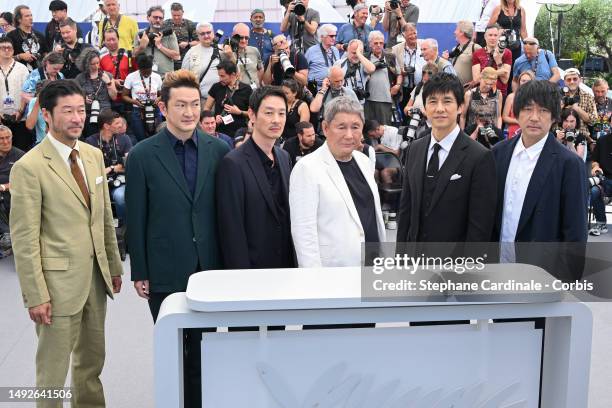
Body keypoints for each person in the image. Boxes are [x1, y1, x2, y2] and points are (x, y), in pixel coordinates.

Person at [10, 79, 123, 408]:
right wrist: (36, 294)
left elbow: (102, 217)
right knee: (52, 373)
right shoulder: (28, 168)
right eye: (68, 111)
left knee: (91, 365)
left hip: (95, 280)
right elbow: (25, 238)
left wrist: (113, 266)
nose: (77, 118)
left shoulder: (91, 155)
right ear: (46, 114)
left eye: (81, 110)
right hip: (55, 288)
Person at [126, 70, 229, 408]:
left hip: (209, 269)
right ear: (163, 107)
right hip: (164, 268)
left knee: (205, 349)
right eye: (181, 105)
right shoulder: (142, 155)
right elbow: (136, 216)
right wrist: (139, 270)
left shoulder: (218, 149)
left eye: (195, 105)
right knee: (173, 347)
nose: (189, 112)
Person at [397, 73, 497, 242]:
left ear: (460, 107)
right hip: (414, 261)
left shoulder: (480, 157)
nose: (440, 108)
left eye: (447, 101)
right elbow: (406, 210)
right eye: (433, 101)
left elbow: (480, 227)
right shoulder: (414, 149)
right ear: (425, 107)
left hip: (454, 263)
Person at [290, 96, 385, 267]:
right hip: (335, 270)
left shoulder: (363, 162)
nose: (349, 135)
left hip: (372, 263)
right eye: (341, 127)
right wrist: (315, 281)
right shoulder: (307, 168)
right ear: (325, 128)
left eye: (355, 127)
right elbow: (304, 233)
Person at [492, 80, 587, 246]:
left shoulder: (569, 164)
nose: (534, 118)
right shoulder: (498, 153)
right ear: (516, 113)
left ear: (553, 117)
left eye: (543, 110)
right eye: (528, 109)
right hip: (495, 263)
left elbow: (575, 232)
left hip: (542, 267)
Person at [216, 85, 296, 269]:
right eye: (269, 113)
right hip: (253, 269)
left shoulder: (284, 158)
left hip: (286, 266)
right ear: (252, 115)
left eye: (282, 113)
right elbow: (231, 229)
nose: (276, 120)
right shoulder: (233, 163)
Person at [85, 109, 132, 225]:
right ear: (106, 126)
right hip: (97, 183)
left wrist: (110, 169)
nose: (121, 125)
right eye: (117, 123)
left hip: (120, 181)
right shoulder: (90, 141)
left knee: (121, 197)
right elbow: (90, 170)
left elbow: (130, 164)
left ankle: (124, 227)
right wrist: (116, 166)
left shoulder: (124, 138)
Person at [74, 48, 118, 137]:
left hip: (105, 113)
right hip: (89, 114)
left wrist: (109, 83)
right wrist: (84, 99)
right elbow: (74, 97)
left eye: (98, 63)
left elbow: (114, 97)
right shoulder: (80, 78)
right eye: (92, 64)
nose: (96, 66)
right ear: (86, 64)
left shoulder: (107, 75)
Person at [204, 60, 252, 138]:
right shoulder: (216, 87)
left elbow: (253, 113)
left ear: (233, 75)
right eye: (219, 76)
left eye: (222, 76)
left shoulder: (246, 89)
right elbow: (206, 108)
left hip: (239, 134)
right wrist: (214, 117)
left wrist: (239, 112)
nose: (220, 79)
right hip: (219, 133)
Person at [122, 54, 163, 142]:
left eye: (149, 72)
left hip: (154, 110)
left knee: (157, 137)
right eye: (144, 73)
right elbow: (124, 96)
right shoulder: (131, 77)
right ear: (139, 69)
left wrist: (158, 99)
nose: (147, 75)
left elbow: (162, 94)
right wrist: (134, 102)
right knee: (141, 139)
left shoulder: (157, 77)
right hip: (138, 111)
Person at [0, 36, 30, 152]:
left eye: (9, 48)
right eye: (3, 48)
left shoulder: (22, 69)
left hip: (20, 118)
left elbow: (27, 92)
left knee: (20, 151)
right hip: (1, 117)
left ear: (13, 50)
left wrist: (21, 111)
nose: (7, 50)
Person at [364, 31, 401, 125]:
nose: (379, 45)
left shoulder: (390, 57)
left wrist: (397, 85)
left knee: (385, 129)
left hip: (386, 100)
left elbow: (399, 74)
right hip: (368, 100)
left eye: (381, 43)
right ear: (370, 44)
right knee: (369, 130)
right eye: (375, 43)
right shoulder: (365, 57)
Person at [133, 6, 180, 77]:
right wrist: (141, 47)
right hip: (145, 77)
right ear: (148, 18)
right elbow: (133, 55)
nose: (158, 20)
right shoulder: (140, 35)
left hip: (165, 77)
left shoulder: (170, 34)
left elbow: (176, 56)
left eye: (160, 18)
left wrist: (160, 46)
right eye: (155, 17)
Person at [182, 22, 222, 103]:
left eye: (208, 32)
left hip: (220, 100)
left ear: (213, 32)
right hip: (200, 99)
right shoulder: (191, 52)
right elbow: (184, 77)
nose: (206, 36)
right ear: (198, 35)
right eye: (202, 33)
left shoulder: (223, 50)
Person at [99, 27, 136, 114]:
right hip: (109, 99)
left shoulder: (129, 55)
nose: (111, 42)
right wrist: (113, 81)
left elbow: (136, 73)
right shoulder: (100, 57)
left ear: (118, 39)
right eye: (108, 40)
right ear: (104, 41)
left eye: (113, 39)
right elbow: (98, 76)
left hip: (127, 98)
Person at [0, 125, 24, 253]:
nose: (5, 141)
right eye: (1, 138)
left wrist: (4, 187)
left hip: (14, 194)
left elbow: (24, 181)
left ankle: (7, 234)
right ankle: (6, 234)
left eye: (8, 137)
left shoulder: (20, 156)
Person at [391, 23, 425, 113]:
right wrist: (400, 71)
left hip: (421, 88)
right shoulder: (395, 49)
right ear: (403, 35)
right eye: (410, 34)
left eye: (415, 33)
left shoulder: (424, 46)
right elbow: (393, 70)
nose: (413, 36)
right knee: (405, 114)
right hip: (404, 89)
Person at [472, 24, 512, 97]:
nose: (493, 38)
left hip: (500, 94)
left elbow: (505, 80)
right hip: (482, 94)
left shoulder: (507, 53)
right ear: (485, 37)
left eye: (495, 35)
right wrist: (498, 72)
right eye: (490, 35)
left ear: (499, 37)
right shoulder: (477, 53)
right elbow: (476, 79)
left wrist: (498, 60)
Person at [460, 67, 503, 132]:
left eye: (491, 84)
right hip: (472, 131)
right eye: (486, 83)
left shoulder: (498, 94)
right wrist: (462, 134)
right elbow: (463, 117)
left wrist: (499, 131)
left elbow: (498, 116)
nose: (488, 86)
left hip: (491, 132)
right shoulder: (469, 94)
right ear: (480, 79)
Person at [7, 5, 48, 72]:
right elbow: (4, 58)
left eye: (31, 15)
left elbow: (46, 55)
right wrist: (20, 56)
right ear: (19, 19)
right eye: (27, 16)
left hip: (39, 74)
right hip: (20, 74)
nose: (31, 18)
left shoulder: (40, 35)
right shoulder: (11, 36)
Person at [223, 23, 264, 88]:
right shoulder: (225, 53)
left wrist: (257, 83)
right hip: (237, 93)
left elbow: (260, 69)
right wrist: (231, 56)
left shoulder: (254, 50)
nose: (244, 40)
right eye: (241, 38)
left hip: (254, 93)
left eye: (246, 38)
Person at [442, 21, 481, 87]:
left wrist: (474, 82)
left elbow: (484, 69)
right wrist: (445, 60)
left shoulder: (475, 48)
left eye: (456, 30)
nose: (454, 32)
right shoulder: (455, 49)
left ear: (462, 32)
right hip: (454, 88)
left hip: (468, 90)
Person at [488, 0, 527, 65]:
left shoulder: (521, 10)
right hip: (502, 45)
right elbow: (489, 27)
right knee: (501, 67)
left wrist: (526, 44)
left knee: (514, 67)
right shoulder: (498, 9)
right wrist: (498, 30)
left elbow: (523, 30)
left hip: (516, 45)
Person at [560, 68, 597, 137]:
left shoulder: (588, 96)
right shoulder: (557, 95)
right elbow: (548, 118)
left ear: (580, 80)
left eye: (575, 79)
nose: (572, 82)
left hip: (582, 135)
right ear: (564, 81)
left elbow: (593, 120)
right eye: (569, 79)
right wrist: (561, 107)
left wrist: (577, 109)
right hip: (560, 135)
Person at [364, 119, 401, 184]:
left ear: (377, 129)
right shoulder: (375, 137)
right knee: (373, 172)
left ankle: (391, 194)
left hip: (397, 163)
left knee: (385, 172)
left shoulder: (393, 131)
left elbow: (397, 153)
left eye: (372, 135)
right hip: (382, 163)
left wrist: (380, 147)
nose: (372, 138)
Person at [162, 2, 197, 70]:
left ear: (183, 12)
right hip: (169, 59)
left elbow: (198, 42)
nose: (176, 17)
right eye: (174, 15)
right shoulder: (165, 24)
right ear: (171, 13)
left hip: (186, 59)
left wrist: (188, 44)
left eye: (179, 15)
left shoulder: (190, 24)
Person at [305, 24, 339, 91]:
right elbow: (304, 71)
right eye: (331, 36)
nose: (334, 38)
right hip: (316, 89)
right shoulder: (311, 51)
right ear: (322, 37)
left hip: (333, 88)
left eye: (335, 36)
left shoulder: (335, 50)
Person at [502, 69, 534, 139]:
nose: (525, 83)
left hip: (530, 131)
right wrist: (519, 121)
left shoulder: (536, 98)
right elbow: (504, 117)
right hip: (513, 132)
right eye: (523, 81)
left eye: (528, 81)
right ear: (519, 82)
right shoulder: (511, 97)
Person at [25, 80, 51, 145]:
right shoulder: (34, 101)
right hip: (41, 142)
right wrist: (38, 101)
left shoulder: (61, 101)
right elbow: (29, 126)